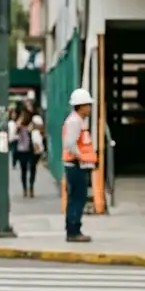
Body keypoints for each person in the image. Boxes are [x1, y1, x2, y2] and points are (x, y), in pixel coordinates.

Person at [62, 88, 96, 242]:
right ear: (80, 105)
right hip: (75, 165)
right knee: (77, 198)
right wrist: (81, 157)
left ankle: (74, 228)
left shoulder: (78, 120)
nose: (90, 108)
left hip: (78, 164)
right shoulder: (75, 121)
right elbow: (70, 143)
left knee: (78, 197)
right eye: (88, 105)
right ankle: (73, 230)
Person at [9, 107, 43, 197]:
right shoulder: (19, 125)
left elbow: (40, 130)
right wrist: (19, 124)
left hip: (30, 150)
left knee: (32, 169)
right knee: (23, 170)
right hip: (21, 150)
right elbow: (15, 132)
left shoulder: (32, 124)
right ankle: (25, 188)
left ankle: (31, 187)